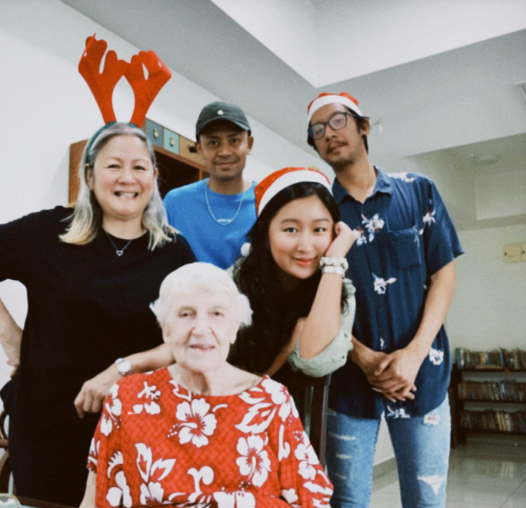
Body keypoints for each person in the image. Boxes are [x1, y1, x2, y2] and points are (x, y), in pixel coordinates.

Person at [0, 122, 195, 505]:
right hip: (46, 428)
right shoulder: (50, 231)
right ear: (90, 175)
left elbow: (190, 340)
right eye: (114, 166)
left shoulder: (174, 252)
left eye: (139, 167)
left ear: (154, 177)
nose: (127, 178)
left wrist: (124, 367)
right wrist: (12, 340)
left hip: (136, 428)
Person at [306, 92, 464, 507]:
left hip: (422, 374)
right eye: (317, 131)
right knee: (348, 501)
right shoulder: (319, 213)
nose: (328, 134)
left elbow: (444, 275)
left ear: (363, 126)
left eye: (337, 121)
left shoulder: (418, 192)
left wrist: (414, 353)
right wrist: (362, 356)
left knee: (426, 500)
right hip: (348, 379)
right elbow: (313, 298)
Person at [79, 262, 333, 508]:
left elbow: (312, 498)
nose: (201, 329)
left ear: (234, 329)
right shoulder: (129, 398)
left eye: (217, 314)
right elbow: (97, 499)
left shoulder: (270, 400)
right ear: (166, 330)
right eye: (185, 314)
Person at [231, 167, 357, 378]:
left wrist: (334, 261)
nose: (305, 246)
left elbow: (318, 364)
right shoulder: (232, 284)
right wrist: (289, 345)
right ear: (264, 232)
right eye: (291, 229)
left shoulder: (339, 288)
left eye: (319, 229)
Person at [163, 101, 257, 269]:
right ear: (199, 148)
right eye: (213, 143)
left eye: (234, 140)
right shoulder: (175, 203)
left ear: (249, 144)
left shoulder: (267, 201)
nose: (225, 152)